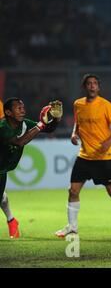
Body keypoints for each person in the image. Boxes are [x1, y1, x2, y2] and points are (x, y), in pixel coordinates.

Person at [55, 74, 111, 237]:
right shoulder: (78, 104)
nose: (92, 86)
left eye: (95, 83)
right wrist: (74, 134)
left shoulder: (105, 105)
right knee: (73, 191)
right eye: (89, 84)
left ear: (98, 87)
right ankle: (72, 227)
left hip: (104, 157)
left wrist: (108, 141)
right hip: (84, 156)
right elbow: (78, 122)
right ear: (84, 87)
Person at [1, 97, 61, 238]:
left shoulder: (24, 124)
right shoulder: (3, 127)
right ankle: (12, 221)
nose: (23, 110)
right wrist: (40, 124)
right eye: (18, 108)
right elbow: (20, 142)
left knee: (1, 198)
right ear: (9, 113)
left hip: (2, 168)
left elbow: (48, 129)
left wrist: (56, 118)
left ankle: (11, 220)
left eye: (23, 107)